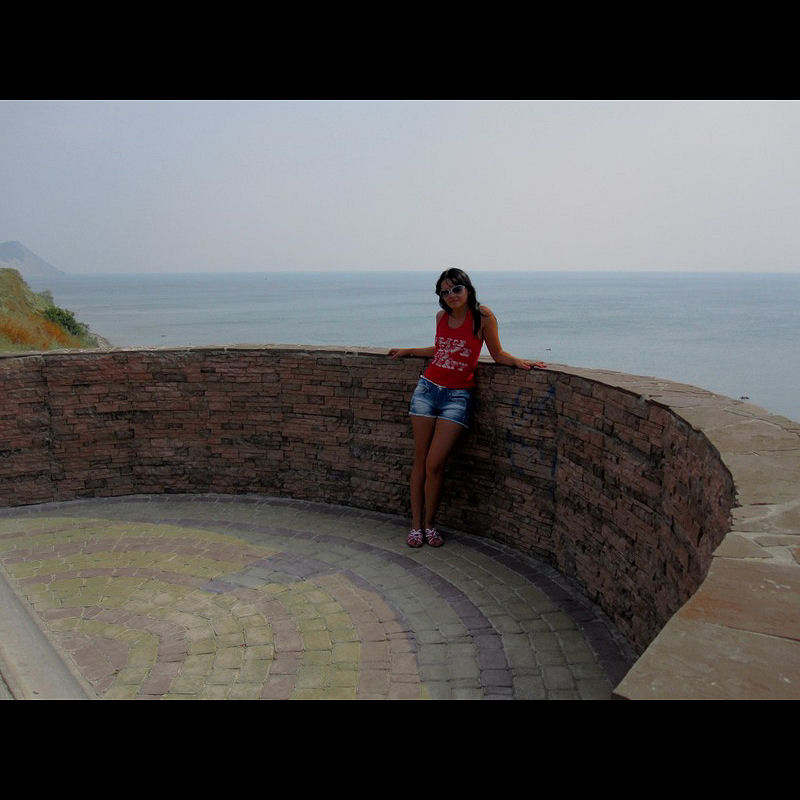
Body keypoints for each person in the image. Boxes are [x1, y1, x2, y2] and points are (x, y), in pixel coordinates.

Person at [389, 268, 546, 548]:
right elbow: (442, 350)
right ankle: (415, 526)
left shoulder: (483, 316)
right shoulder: (441, 317)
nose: (451, 295)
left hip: (458, 397)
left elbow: (497, 353)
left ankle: (429, 525)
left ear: (468, 289)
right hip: (427, 390)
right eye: (445, 292)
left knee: (435, 464)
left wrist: (518, 361)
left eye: (456, 289)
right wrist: (410, 350)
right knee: (420, 460)